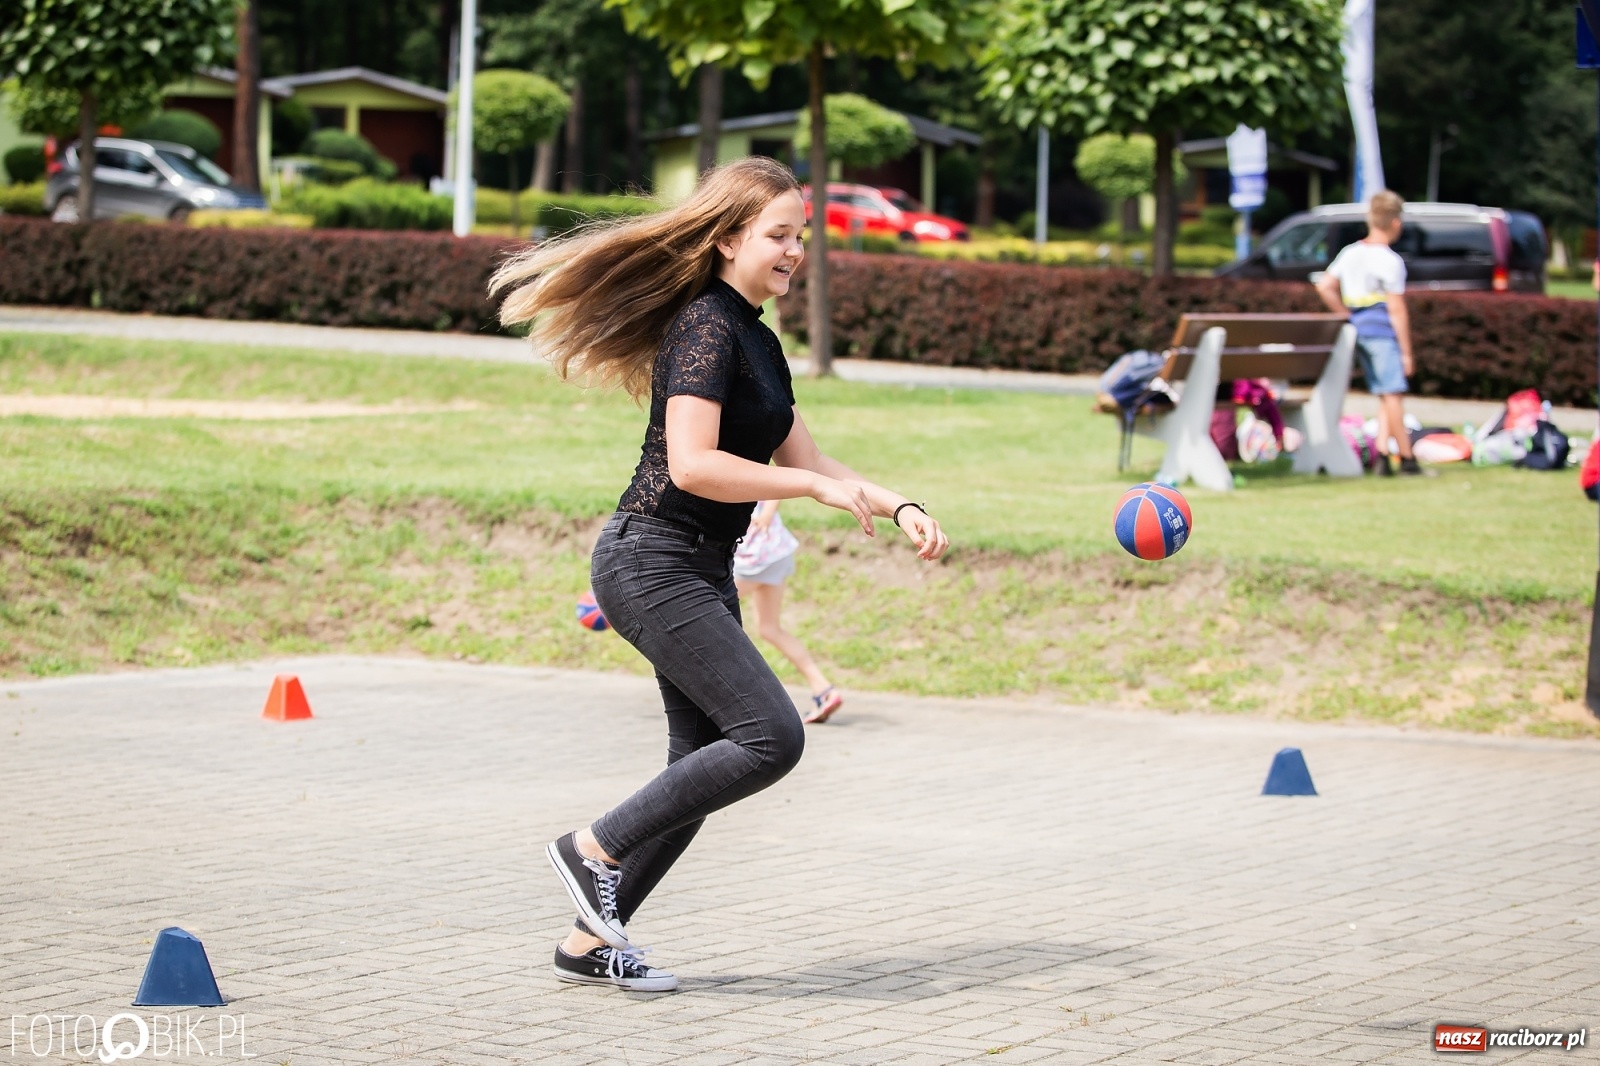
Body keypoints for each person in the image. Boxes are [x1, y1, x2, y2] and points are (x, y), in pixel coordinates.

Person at [489, 157, 948, 993]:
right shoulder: (705, 325)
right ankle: (588, 848)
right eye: (779, 234)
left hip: (698, 568)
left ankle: (589, 944)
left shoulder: (758, 338)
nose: (794, 250)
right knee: (772, 736)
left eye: (801, 236)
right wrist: (809, 487)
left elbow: (812, 459)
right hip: (650, 558)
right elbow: (695, 465)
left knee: (697, 762)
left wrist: (898, 503)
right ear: (729, 236)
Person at [1315, 190, 1422, 476]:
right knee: (1394, 394)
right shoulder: (1390, 260)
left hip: (1357, 329)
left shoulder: (1350, 253)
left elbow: (1324, 286)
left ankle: (1384, 456)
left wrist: (1344, 313)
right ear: (1396, 223)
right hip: (1381, 330)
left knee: (1384, 395)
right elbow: (1397, 309)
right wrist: (1407, 352)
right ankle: (1408, 460)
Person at [734, 500, 843, 724]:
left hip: (753, 558)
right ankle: (823, 689)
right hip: (776, 551)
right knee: (769, 628)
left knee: (708, 615)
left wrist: (765, 515)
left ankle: (732, 701)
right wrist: (767, 515)